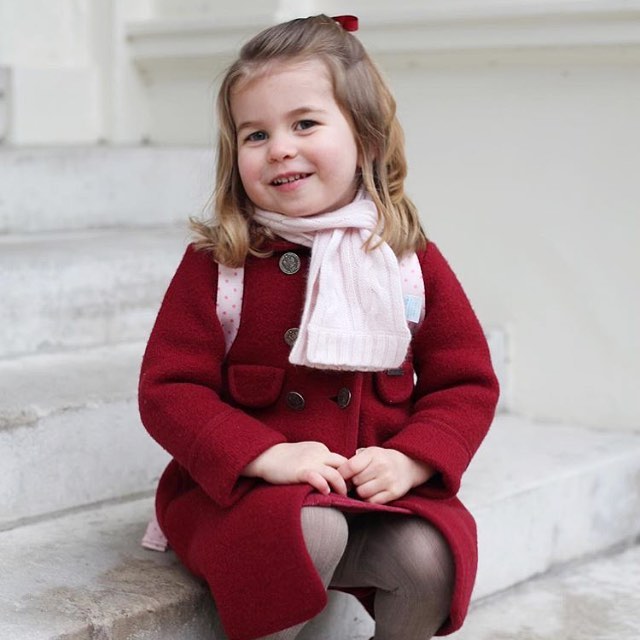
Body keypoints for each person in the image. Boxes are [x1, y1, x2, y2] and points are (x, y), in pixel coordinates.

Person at [138, 13, 499, 640]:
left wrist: (414, 460)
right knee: (311, 530)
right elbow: (169, 390)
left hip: (367, 495)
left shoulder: (406, 262)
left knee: (430, 557)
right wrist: (264, 454)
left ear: (367, 140)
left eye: (304, 123)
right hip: (247, 498)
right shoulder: (223, 264)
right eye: (255, 134)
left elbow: (466, 383)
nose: (279, 146)